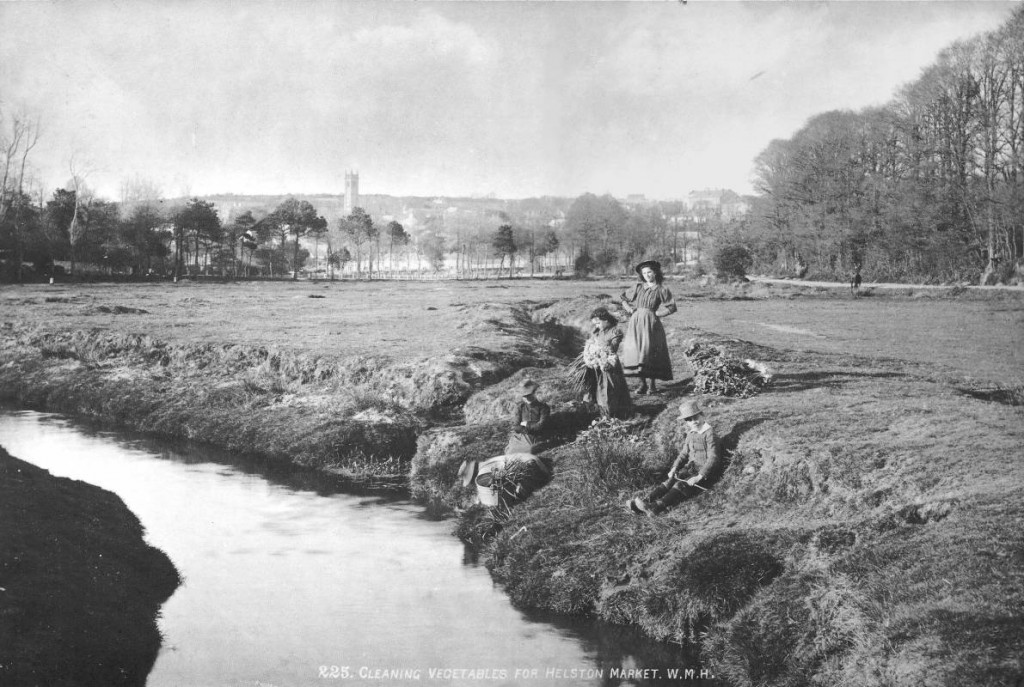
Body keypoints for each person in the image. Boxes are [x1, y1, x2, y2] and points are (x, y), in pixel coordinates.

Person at [629, 400, 719, 516]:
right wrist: (674, 468)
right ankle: (645, 501)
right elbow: (683, 453)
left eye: (695, 417)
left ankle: (655, 507)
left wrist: (698, 477)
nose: (693, 422)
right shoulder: (691, 434)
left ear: (702, 416)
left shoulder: (709, 434)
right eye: (689, 420)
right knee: (671, 480)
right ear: (686, 422)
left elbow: (713, 457)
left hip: (705, 475)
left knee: (679, 485)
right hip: (691, 469)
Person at [620, 260, 677, 395]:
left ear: (655, 272)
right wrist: (629, 310)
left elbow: (672, 307)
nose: (647, 275)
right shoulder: (638, 287)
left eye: (649, 272)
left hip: (651, 324)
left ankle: (652, 386)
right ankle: (642, 385)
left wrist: (658, 313)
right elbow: (623, 299)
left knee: (649, 352)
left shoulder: (662, 289)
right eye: (644, 273)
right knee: (637, 351)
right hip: (635, 322)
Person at [582, 307, 633, 419]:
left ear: (606, 320)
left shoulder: (615, 331)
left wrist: (598, 348)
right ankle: (599, 413)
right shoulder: (597, 331)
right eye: (595, 324)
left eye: (599, 323)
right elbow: (590, 343)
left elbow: (612, 349)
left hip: (608, 364)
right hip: (595, 364)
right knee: (594, 388)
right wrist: (591, 352)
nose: (597, 326)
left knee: (608, 390)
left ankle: (613, 415)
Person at [505, 379, 550, 454]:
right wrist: (528, 427)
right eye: (524, 396)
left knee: (530, 450)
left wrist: (525, 424)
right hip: (522, 436)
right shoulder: (520, 407)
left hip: (537, 437)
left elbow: (540, 426)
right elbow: (515, 426)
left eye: (529, 395)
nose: (526, 398)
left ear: (534, 393)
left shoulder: (543, 407)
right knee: (510, 451)